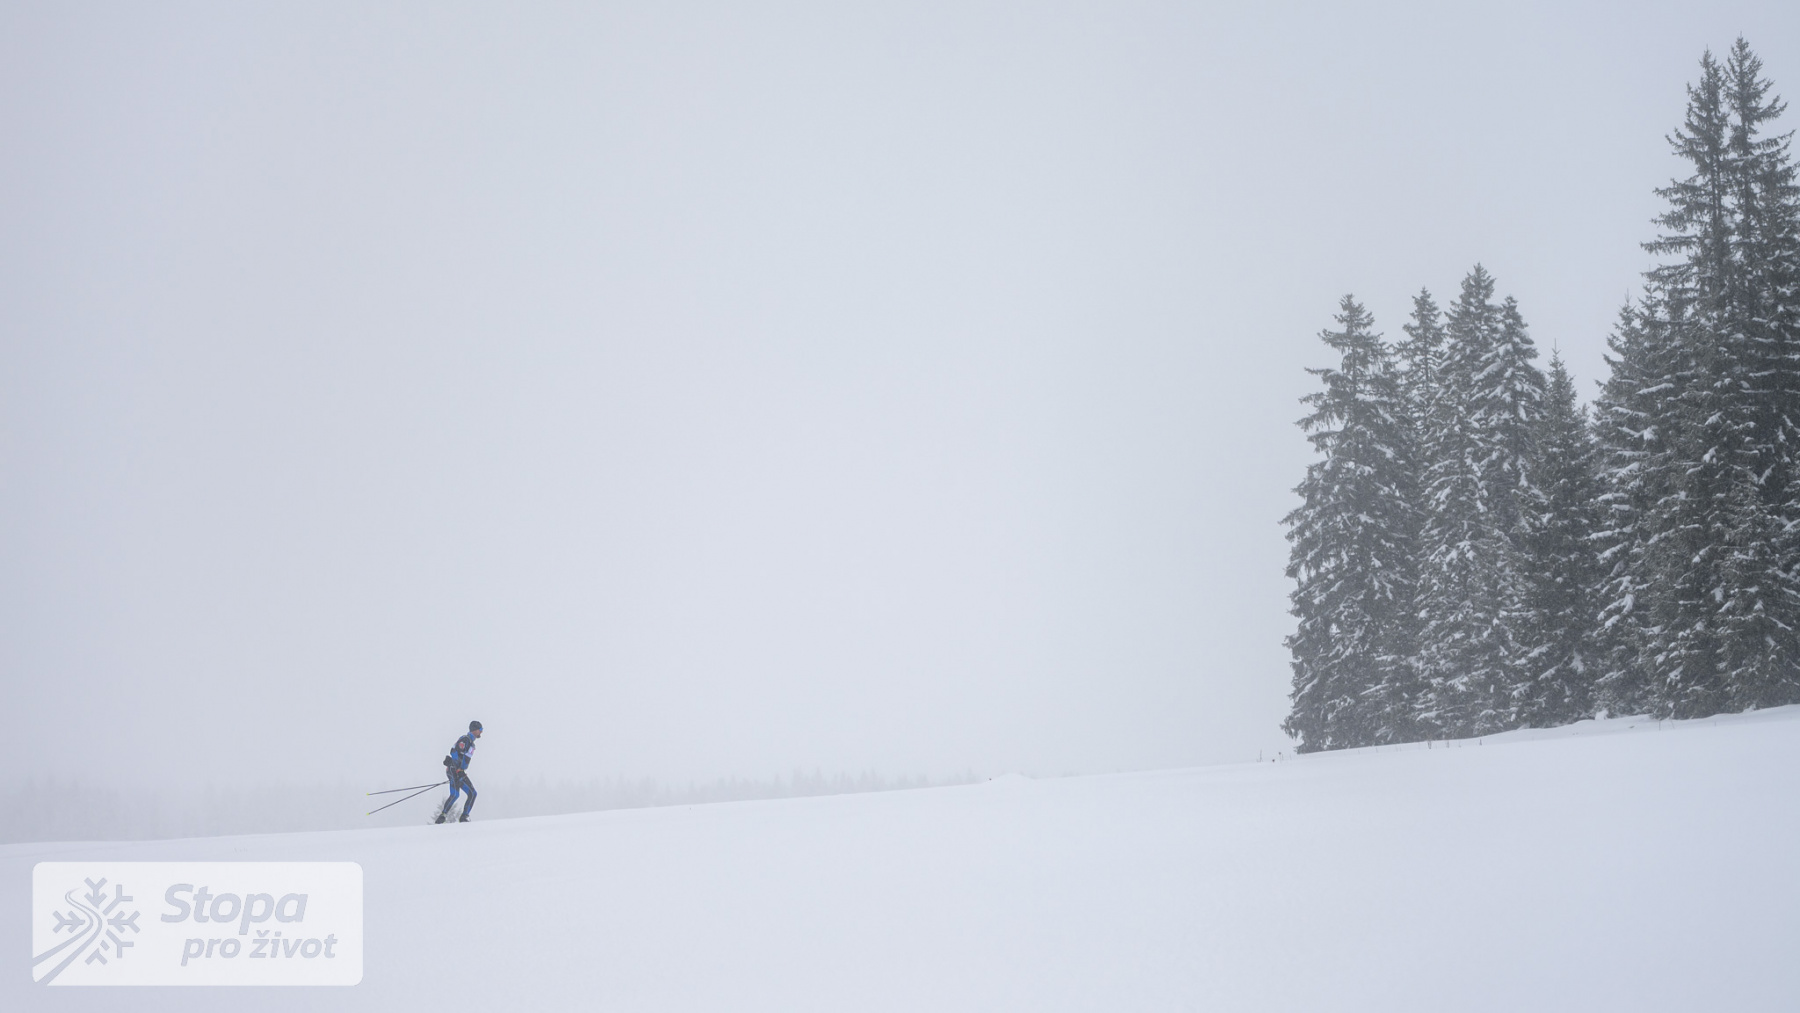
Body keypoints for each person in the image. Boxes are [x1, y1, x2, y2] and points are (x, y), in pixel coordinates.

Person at [436, 720, 483, 824]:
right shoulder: (465, 740)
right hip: (454, 770)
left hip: (459, 771)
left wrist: (461, 769)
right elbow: (454, 753)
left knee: (472, 793)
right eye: (480, 729)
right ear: (474, 730)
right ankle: (443, 816)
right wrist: (457, 769)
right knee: (456, 794)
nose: (481, 732)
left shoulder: (471, 743)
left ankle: (464, 817)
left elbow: (465, 759)